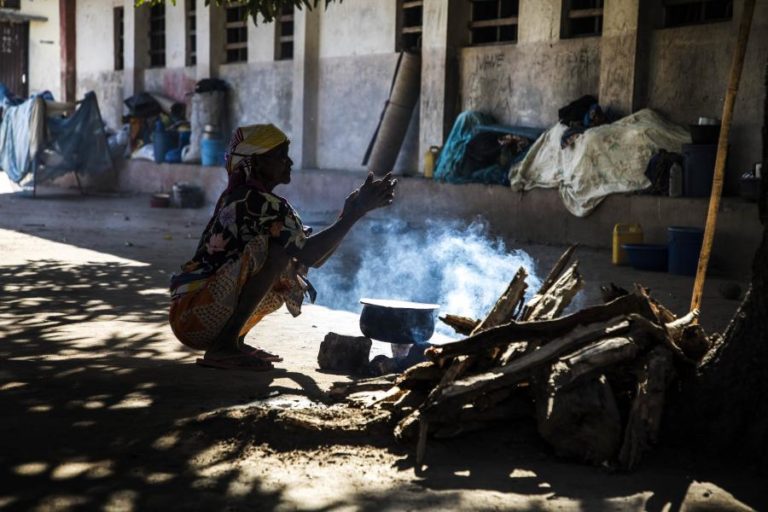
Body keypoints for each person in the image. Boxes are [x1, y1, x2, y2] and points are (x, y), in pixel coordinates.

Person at [169, 124, 397, 371]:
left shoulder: (247, 197)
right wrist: (353, 215)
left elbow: (311, 259)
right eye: (280, 156)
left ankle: (234, 341)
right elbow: (309, 254)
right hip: (195, 316)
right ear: (255, 163)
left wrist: (350, 214)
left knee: (289, 264)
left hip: (191, 315)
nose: (288, 162)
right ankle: (224, 347)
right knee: (277, 255)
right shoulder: (258, 202)